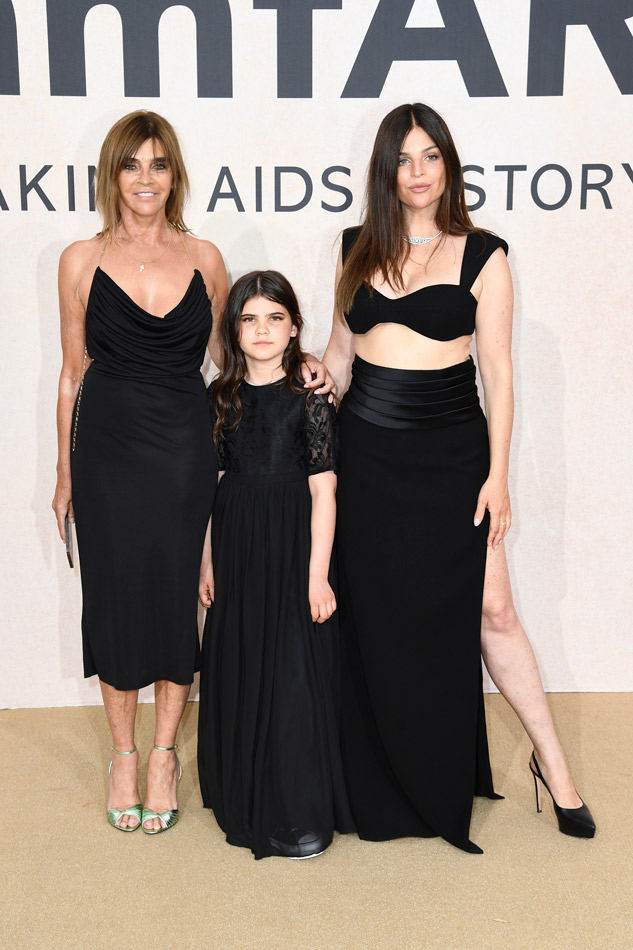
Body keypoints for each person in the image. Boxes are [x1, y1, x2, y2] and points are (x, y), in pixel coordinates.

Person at [322, 102, 595, 853]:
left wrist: (497, 477)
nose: (417, 173)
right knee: (375, 616)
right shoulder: (353, 247)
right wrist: (292, 385)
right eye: (403, 159)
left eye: (429, 156)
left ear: (448, 164)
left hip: (450, 460)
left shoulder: (483, 254)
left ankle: (554, 769)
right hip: (367, 460)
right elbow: (339, 360)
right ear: (385, 171)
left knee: (494, 612)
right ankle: (381, 772)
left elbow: (499, 374)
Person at [51, 112, 330, 834]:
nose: (146, 179)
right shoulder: (80, 259)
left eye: (159, 165)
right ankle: (122, 753)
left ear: (175, 175)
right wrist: (62, 473)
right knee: (114, 600)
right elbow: (70, 374)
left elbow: (232, 356)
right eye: (131, 165)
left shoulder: (205, 257)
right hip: (106, 452)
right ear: (112, 174)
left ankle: (165, 754)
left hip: (184, 449)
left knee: (180, 600)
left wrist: (297, 365)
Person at [197, 270, 354, 859]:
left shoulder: (309, 398)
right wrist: (207, 562)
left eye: (274, 318)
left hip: (293, 542)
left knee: (292, 668)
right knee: (239, 659)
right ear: (234, 331)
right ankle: (240, 785)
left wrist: (318, 575)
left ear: (293, 329)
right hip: (236, 542)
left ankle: (296, 803)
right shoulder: (219, 397)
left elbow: (324, 491)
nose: (262, 330)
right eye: (249, 319)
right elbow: (211, 487)